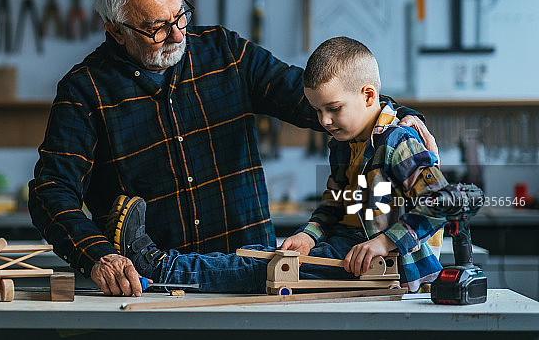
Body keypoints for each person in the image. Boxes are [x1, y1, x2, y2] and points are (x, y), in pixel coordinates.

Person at [28, 0, 435, 297]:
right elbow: (51, 192)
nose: (175, 34)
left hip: (253, 271)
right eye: (155, 28)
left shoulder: (225, 52)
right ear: (115, 29)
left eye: (180, 15)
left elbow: (310, 96)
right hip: (151, 289)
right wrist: (98, 254)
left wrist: (392, 115)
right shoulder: (84, 92)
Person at [107, 36, 448, 294]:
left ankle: (158, 267)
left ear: (369, 96)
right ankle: (161, 268)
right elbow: (335, 207)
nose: (325, 121)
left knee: (262, 270)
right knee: (260, 255)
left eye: (333, 108)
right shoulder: (346, 145)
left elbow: (440, 205)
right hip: (345, 249)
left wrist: (385, 242)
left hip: (382, 266)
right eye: (317, 111)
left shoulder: (398, 141)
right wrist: (308, 236)